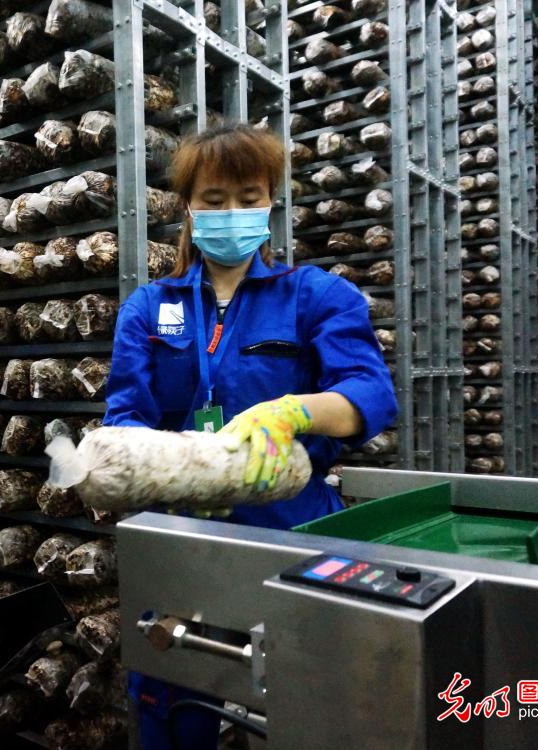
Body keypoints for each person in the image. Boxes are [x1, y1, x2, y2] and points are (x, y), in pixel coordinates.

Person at [103, 124, 397, 749]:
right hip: (184, 546)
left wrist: (292, 410)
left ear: (270, 203)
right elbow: (126, 416)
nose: (230, 212)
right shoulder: (149, 309)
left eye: (247, 196)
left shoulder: (316, 295)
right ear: (187, 206)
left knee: (316, 711)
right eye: (213, 199)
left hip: (293, 536)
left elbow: (370, 395)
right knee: (174, 702)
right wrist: (166, 470)